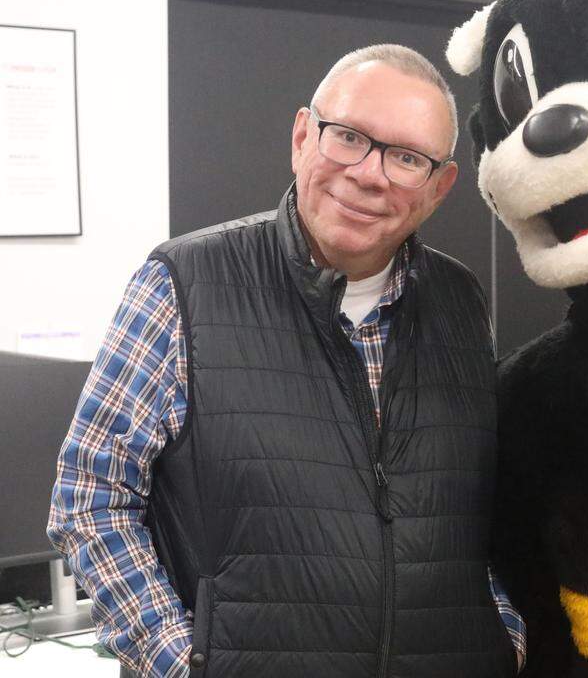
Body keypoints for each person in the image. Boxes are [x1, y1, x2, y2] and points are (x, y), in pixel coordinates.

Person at [47, 44, 524, 678]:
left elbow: (483, 511)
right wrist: (187, 663)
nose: (371, 174)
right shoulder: (184, 285)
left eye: (408, 157)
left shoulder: (463, 305)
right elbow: (90, 497)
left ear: (438, 187)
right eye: (349, 137)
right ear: (303, 136)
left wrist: (504, 637)